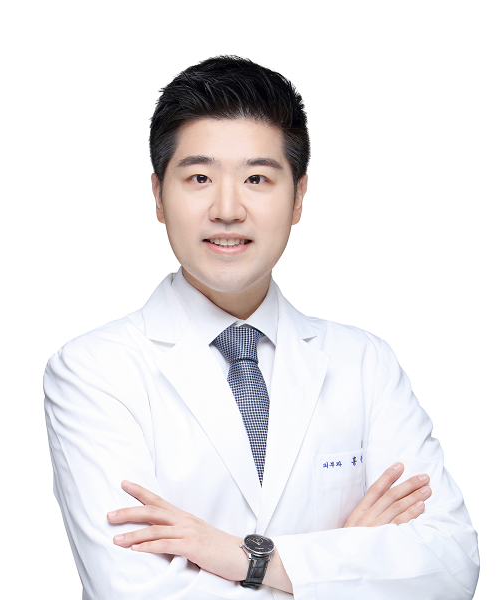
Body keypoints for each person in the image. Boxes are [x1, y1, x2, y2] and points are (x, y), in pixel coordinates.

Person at [44, 56, 479, 599]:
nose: (227, 209)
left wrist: (245, 557)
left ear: (298, 197)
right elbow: (135, 592)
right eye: (199, 178)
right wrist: (341, 559)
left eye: (256, 179)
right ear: (158, 195)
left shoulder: (366, 364)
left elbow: (451, 566)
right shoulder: (93, 371)